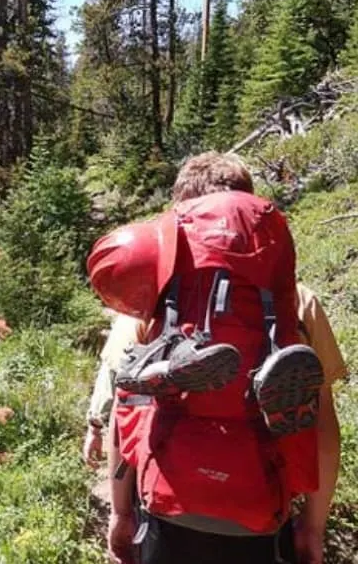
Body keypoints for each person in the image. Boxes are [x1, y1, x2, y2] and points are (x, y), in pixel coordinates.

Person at [83, 152, 348, 564]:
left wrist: (119, 513)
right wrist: (313, 527)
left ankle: (183, 362)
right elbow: (324, 429)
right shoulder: (298, 301)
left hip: (168, 500)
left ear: (180, 212)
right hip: (260, 505)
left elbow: (126, 404)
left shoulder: (153, 295)